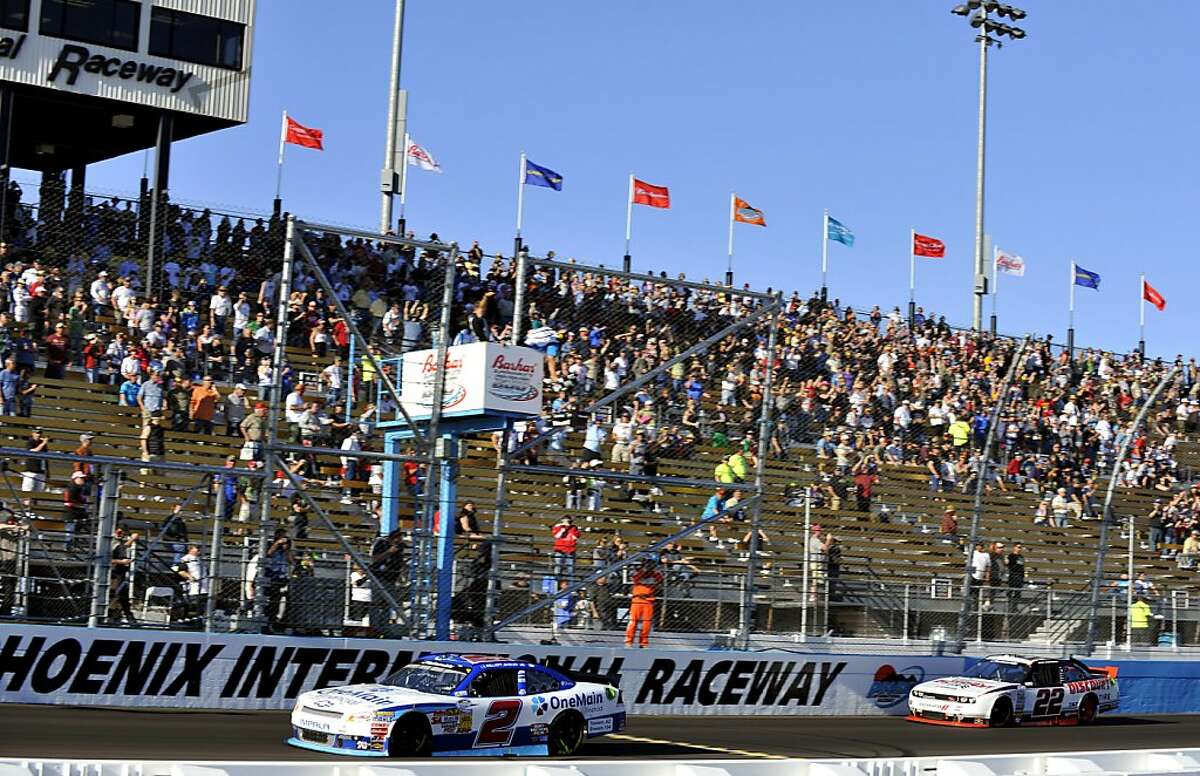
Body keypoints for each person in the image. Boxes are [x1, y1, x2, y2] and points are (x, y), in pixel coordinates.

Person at [625, 558, 663, 648]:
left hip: (649, 600)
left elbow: (659, 580)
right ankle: (629, 641)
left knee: (647, 623)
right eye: (648, 564)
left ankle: (643, 642)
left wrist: (652, 571)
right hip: (637, 600)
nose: (650, 566)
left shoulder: (656, 574)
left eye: (651, 565)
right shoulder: (637, 572)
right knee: (633, 622)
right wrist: (644, 571)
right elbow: (636, 579)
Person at [108, 526, 136, 623]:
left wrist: (132, 540)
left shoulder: (118, 542)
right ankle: (111, 615)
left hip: (121, 572)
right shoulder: (109, 542)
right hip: (113, 573)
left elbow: (123, 547)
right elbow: (106, 560)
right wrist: (121, 562)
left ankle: (127, 616)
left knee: (123, 594)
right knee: (116, 594)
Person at [551, 516, 581, 581]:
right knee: (558, 566)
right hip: (560, 549)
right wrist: (562, 530)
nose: (567, 521)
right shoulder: (558, 526)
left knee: (571, 568)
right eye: (565, 520)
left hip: (570, 550)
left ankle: (571, 582)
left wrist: (570, 529)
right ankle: (557, 581)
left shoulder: (574, 527)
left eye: (568, 520)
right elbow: (556, 536)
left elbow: (575, 537)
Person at [1007, 542, 1026, 610]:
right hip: (1013, 576)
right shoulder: (1011, 556)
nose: (1019, 549)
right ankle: (1010, 607)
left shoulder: (1021, 557)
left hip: (1020, 577)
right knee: (1011, 592)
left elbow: (1021, 566)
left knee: (1018, 593)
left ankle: (1015, 607)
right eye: (1018, 547)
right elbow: (1009, 565)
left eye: (1020, 547)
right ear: (1014, 547)